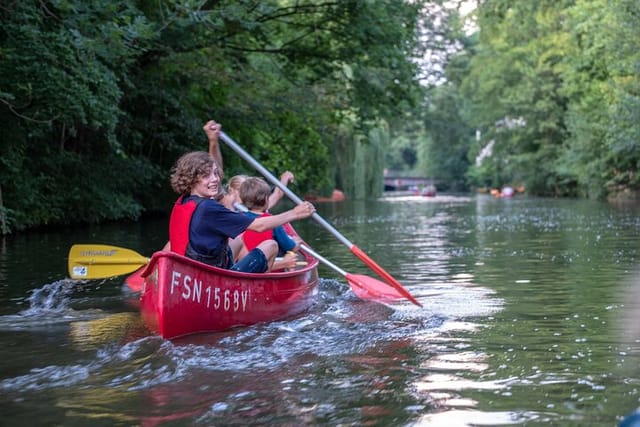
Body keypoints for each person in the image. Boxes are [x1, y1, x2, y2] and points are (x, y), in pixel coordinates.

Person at [168, 150, 316, 273]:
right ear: (192, 179)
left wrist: (213, 141)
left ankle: (235, 271)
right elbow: (259, 225)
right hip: (209, 274)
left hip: (189, 270)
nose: (215, 179)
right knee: (271, 245)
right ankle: (251, 289)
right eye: (206, 176)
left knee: (238, 239)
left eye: (215, 173)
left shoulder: (185, 200)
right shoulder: (209, 207)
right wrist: (295, 213)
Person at [236, 177, 304, 271]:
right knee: (292, 253)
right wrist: (296, 243)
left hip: (246, 267)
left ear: (242, 200)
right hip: (270, 270)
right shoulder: (273, 221)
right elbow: (290, 246)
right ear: (267, 199)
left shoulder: (237, 218)